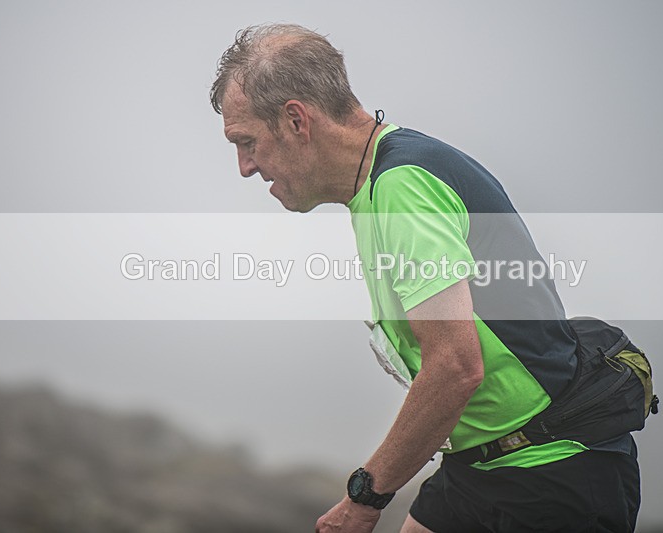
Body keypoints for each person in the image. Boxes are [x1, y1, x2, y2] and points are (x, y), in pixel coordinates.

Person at [210, 23, 640, 533]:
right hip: (478, 464)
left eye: (247, 142)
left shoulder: (403, 186)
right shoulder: (378, 178)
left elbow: (455, 366)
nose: (244, 167)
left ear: (296, 120)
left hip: (551, 468)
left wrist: (364, 498)